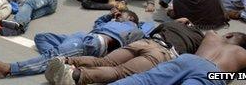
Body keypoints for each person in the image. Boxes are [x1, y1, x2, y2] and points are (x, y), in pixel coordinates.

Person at [0, 9, 150, 78]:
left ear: (130, 19)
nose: (118, 16)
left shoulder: (133, 28)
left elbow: (146, 32)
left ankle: (10, 69)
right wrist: (108, 16)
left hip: (94, 43)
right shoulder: (112, 21)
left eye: (122, 15)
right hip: (84, 36)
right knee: (41, 38)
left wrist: (136, 23)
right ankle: (60, 60)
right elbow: (96, 24)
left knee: (54, 53)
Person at [47, 18, 205, 85]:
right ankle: (76, 76)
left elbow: (152, 31)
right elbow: (193, 60)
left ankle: (66, 60)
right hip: (162, 53)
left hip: (145, 42)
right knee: (118, 72)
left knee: (104, 61)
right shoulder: (199, 39)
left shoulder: (173, 24)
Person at [106, 30, 246, 85]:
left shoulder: (212, 35)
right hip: (214, 73)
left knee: (145, 80)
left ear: (229, 35)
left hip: (187, 60)